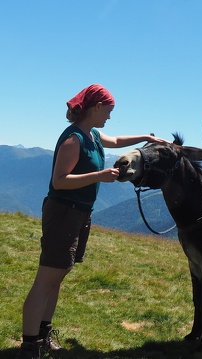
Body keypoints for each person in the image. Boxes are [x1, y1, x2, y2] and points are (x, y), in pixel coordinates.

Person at [16, 84, 167, 359]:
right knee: (46, 280)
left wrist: (147, 137)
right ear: (96, 107)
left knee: (56, 278)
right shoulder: (75, 139)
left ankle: (43, 334)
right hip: (64, 212)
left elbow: (118, 140)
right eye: (108, 111)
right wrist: (99, 175)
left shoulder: (92, 134)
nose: (109, 117)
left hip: (78, 213)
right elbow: (59, 182)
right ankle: (29, 346)